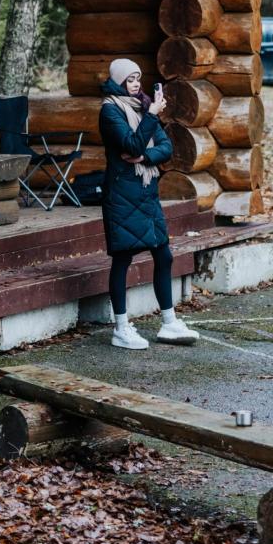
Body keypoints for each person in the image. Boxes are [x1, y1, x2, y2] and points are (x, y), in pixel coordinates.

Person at [99, 57, 199, 350]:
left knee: (163, 255)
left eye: (137, 78)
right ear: (118, 81)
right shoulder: (110, 110)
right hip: (122, 193)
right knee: (122, 259)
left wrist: (145, 157)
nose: (135, 84)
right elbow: (130, 143)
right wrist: (151, 116)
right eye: (129, 79)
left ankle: (169, 323)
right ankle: (121, 329)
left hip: (146, 190)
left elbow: (165, 147)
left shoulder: (143, 106)